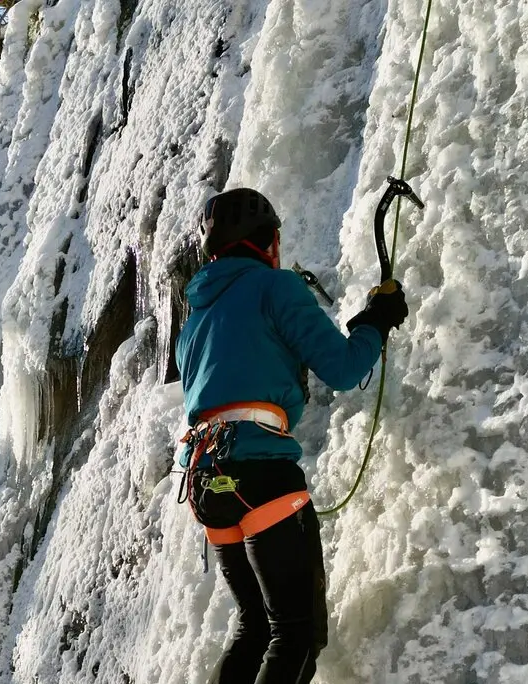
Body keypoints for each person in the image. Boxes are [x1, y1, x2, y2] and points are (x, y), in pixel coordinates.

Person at [175, 188, 409, 683]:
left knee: (255, 626)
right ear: (265, 240)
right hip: (261, 475)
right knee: (295, 632)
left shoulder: (194, 319)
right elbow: (344, 368)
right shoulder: (274, 287)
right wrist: (377, 320)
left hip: (207, 481)